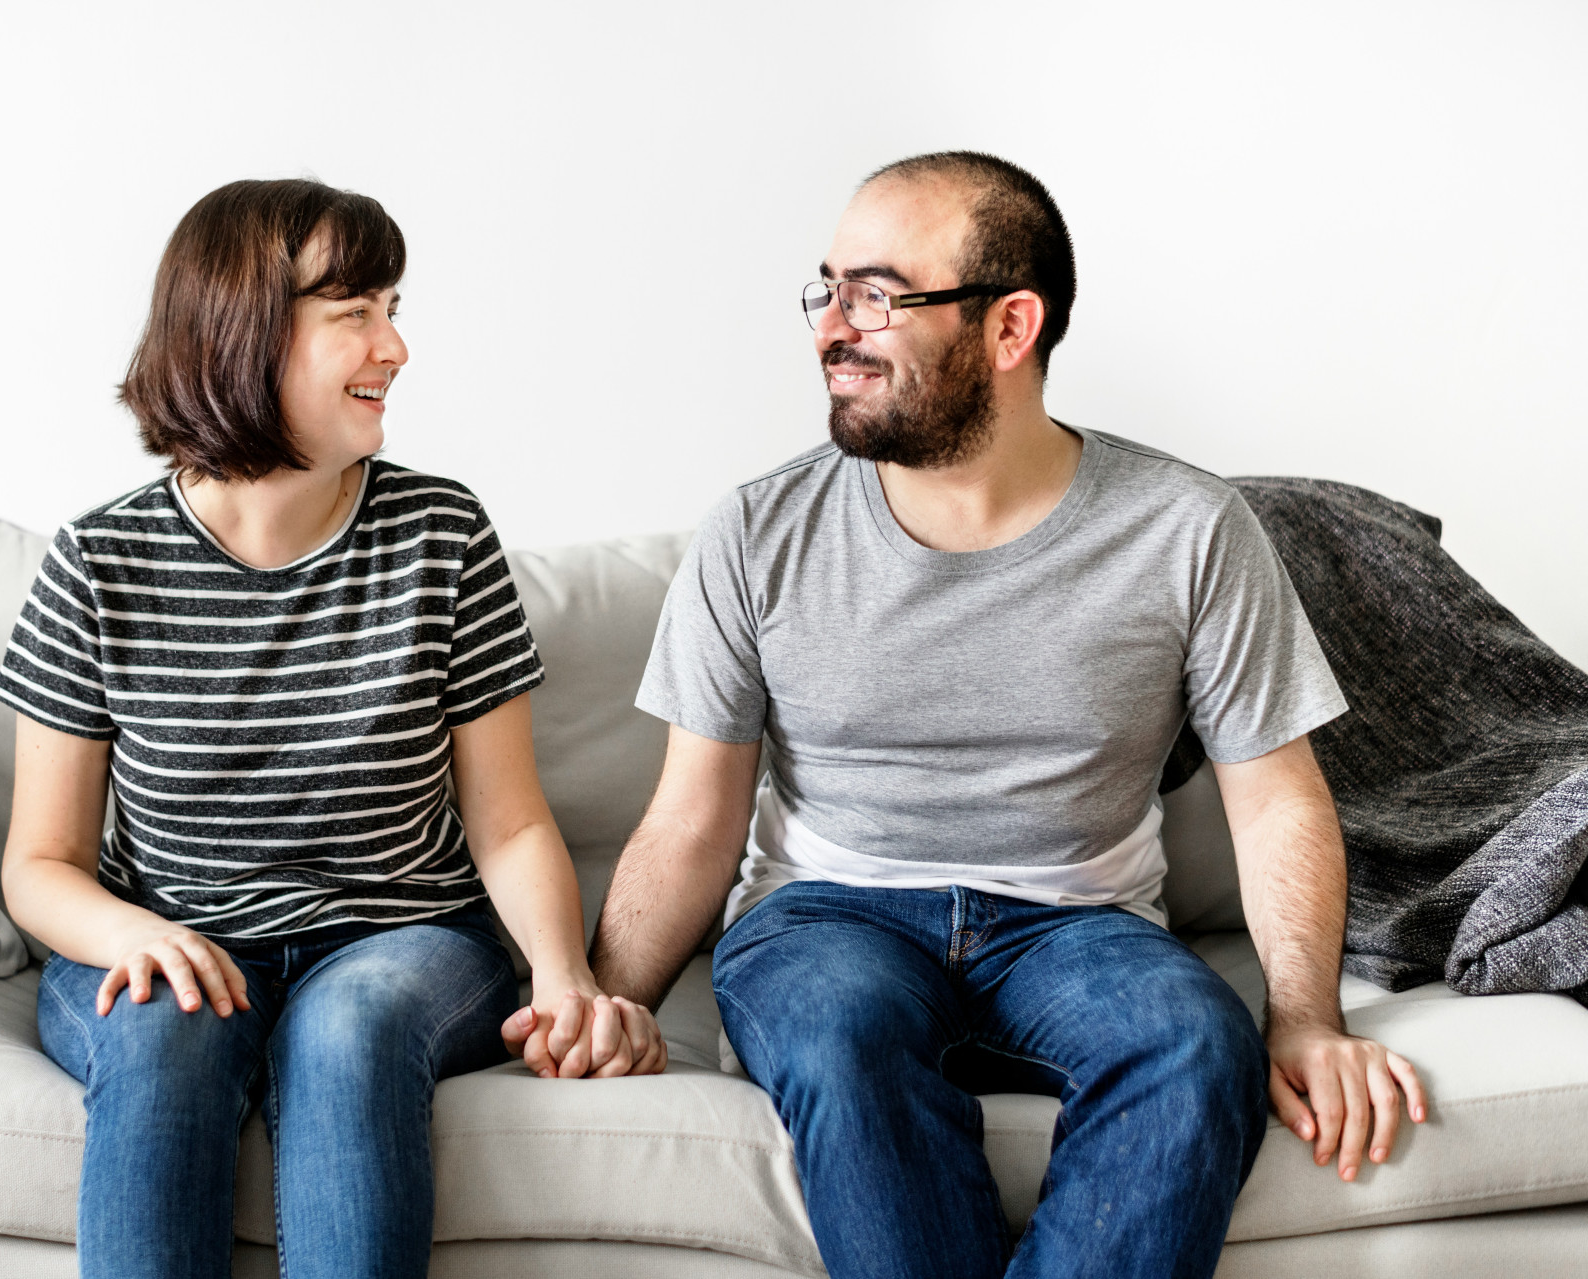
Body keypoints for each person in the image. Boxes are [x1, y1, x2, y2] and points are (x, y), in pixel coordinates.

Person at [535, 153, 1429, 1278]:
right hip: (827, 920)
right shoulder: (757, 533)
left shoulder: (1188, 529)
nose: (831, 330)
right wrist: (607, 999)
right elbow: (691, 821)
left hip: (1077, 923)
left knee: (1197, 1045)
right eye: (827, 290)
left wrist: (1305, 1017)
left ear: (1012, 326)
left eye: (876, 295)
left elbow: (1278, 801)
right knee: (843, 1038)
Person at [0, 178, 664, 1279]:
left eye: (392, 309)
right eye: (355, 311)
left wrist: (563, 974)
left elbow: (507, 823)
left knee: (351, 1025)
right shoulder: (97, 563)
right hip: (171, 930)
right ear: (241, 328)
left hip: (402, 938)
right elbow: (41, 863)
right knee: (167, 1027)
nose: (394, 347)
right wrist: (133, 938)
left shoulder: (441, 533)